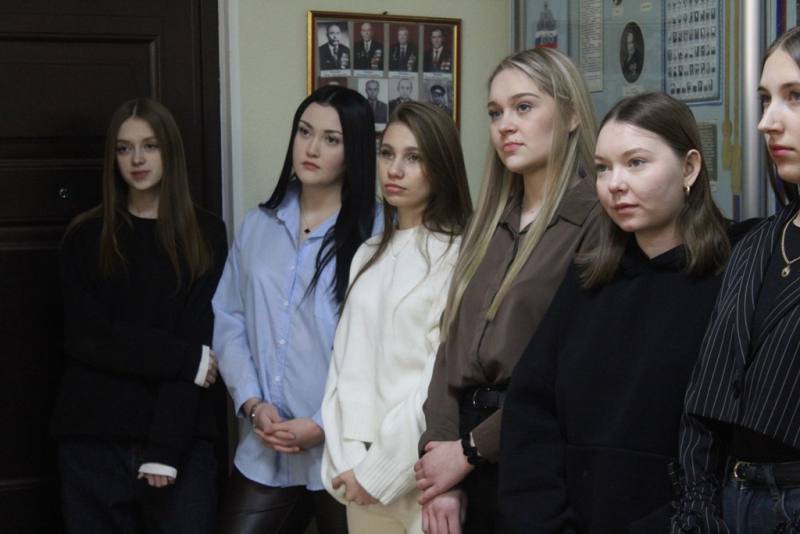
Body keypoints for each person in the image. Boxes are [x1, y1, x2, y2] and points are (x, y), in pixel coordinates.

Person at [499, 92, 739, 534]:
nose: (615, 184)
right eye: (603, 168)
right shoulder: (588, 278)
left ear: (689, 168)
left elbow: (731, 443)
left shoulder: (736, 274)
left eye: (636, 163)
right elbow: (531, 415)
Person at [413, 47, 601, 534]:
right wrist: (440, 463)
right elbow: (448, 352)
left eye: (524, 107)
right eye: (495, 113)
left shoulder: (597, 221)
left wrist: (468, 453)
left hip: (534, 455)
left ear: (572, 115)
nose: (505, 126)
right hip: (461, 454)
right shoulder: (487, 223)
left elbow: (573, 374)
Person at [52, 97, 228, 533]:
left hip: (182, 442)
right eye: (124, 148)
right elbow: (86, 338)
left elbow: (200, 337)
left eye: (150, 146)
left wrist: (165, 450)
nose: (136, 159)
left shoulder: (206, 234)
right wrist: (184, 360)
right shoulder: (85, 235)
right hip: (94, 441)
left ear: (170, 152)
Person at [213, 85, 380, 534]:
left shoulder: (379, 235)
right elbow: (229, 319)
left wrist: (324, 424)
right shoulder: (258, 225)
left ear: (354, 151)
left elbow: (385, 350)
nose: (311, 148)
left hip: (349, 454)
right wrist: (251, 403)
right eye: (304, 132)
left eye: (331, 139)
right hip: (267, 449)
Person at [321, 102, 473, 534]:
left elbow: (437, 380)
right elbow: (341, 369)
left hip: (419, 478)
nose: (394, 169)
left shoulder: (459, 254)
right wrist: (348, 461)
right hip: (356, 475)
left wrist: (378, 471)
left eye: (413, 157)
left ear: (440, 166)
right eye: (387, 153)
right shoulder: (368, 252)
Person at [672, 26, 800, 534]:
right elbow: (705, 402)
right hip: (729, 499)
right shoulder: (757, 242)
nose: (768, 121)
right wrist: (699, 508)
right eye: (765, 99)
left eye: (795, 96)